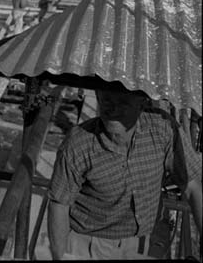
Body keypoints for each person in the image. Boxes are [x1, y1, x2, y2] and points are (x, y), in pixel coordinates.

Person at [48, 83, 203, 260]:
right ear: (98, 97)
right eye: (106, 100)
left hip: (142, 245)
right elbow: (59, 203)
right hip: (89, 245)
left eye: (123, 101)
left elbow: (192, 186)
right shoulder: (78, 143)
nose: (112, 109)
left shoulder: (162, 128)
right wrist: (58, 257)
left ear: (142, 103)